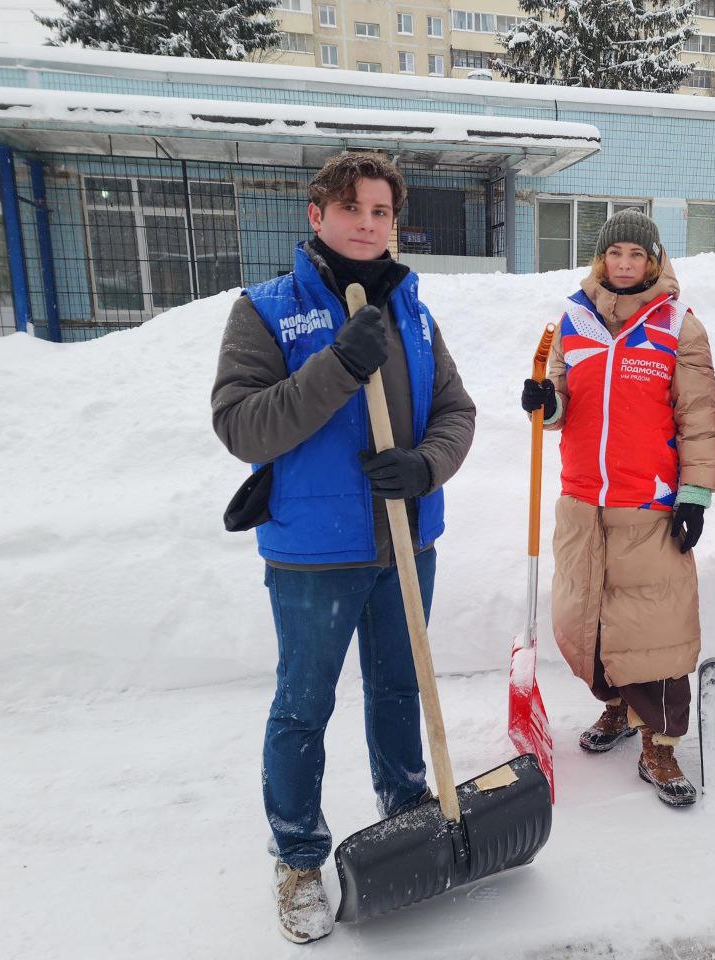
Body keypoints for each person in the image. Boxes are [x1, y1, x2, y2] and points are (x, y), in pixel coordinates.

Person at [211, 153, 476, 942]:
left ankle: (408, 815)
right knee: (304, 705)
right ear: (317, 215)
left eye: (382, 211)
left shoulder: (413, 311)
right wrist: (337, 367)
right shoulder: (265, 311)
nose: (368, 223)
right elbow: (243, 426)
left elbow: (457, 411)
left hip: (406, 542)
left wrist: (425, 465)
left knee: (399, 690)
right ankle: (298, 858)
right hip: (314, 552)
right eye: (353, 208)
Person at [521, 209, 715, 808]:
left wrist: (695, 495)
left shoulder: (679, 326)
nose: (625, 264)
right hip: (583, 501)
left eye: (637, 254)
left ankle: (660, 743)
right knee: (590, 621)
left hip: (649, 503)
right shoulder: (573, 322)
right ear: (601, 259)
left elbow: (699, 418)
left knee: (656, 631)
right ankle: (616, 707)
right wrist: (544, 402)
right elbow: (560, 405)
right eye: (616, 253)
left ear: (654, 261)